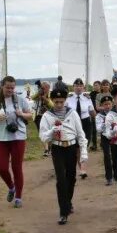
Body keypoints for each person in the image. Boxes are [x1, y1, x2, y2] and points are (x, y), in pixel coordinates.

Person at [39, 87, 88, 223]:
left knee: (71, 178)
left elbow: (80, 134)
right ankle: (63, 212)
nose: (59, 105)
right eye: (56, 102)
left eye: (61, 102)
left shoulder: (72, 113)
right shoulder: (47, 116)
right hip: (58, 148)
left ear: (65, 101)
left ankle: (68, 202)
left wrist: (83, 152)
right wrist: (51, 132)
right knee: (60, 180)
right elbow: (43, 137)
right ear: (52, 101)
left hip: (71, 147)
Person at [0, 76, 34, 208]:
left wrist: (21, 114)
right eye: (8, 87)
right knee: (1, 168)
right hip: (1, 138)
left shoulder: (20, 99)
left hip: (18, 137)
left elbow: (30, 115)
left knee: (17, 168)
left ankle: (18, 197)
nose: (10, 90)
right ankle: (11, 187)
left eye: (12, 87)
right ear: (2, 86)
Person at [69, 79, 96, 159]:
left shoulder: (87, 98)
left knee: (85, 142)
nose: (78, 88)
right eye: (77, 86)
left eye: (80, 86)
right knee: (74, 144)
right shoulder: (68, 98)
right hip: (72, 123)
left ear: (83, 87)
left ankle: (81, 160)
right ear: (73, 87)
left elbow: (92, 112)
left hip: (85, 123)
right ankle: (77, 159)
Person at [95, 94, 114, 186]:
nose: (107, 106)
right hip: (105, 137)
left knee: (116, 155)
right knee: (107, 156)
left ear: (112, 104)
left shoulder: (116, 113)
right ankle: (109, 177)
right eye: (105, 104)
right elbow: (98, 129)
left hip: (115, 136)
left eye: (109, 104)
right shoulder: (99, 116)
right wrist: (106, 122)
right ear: (102, 106)